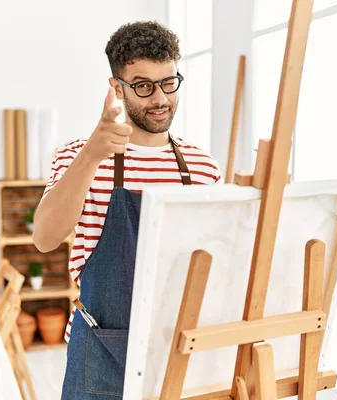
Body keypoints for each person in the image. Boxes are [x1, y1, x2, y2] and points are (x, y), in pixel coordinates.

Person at [33, 20, 221, 399]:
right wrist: (93, 154)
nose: (160, 99)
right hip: (101, 354)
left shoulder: (203, 168)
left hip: (182, 351)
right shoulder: (77, 156)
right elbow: (44, 238)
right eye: (143, 85)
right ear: (116, 87)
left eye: (168, 82)